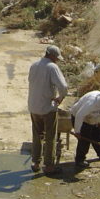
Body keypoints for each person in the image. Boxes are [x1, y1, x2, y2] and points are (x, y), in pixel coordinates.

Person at [27, 45, 68, 175]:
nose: (57, 60)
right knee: (50, 136)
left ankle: (35, 162)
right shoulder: (52, 67)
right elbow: (63, 87)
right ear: (52, 56)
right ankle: (49, 165)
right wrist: (59, 98)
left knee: (37, 135)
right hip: (47, 107)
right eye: (56, 58)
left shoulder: (34, 65)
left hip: (33, 106)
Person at [70, 90, 100, 168]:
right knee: (85, 139)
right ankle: (80, 160)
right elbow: (79, 115)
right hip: (79, 118)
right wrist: (77, 131)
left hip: (93, 119)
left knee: (98, 134)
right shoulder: (92, 102)